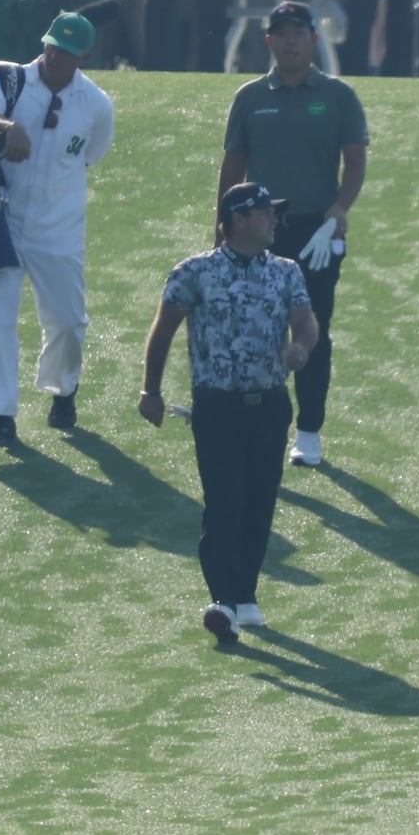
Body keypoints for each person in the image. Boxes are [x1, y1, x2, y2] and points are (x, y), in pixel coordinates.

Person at [140, 181, 319, 645]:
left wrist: (301, 346)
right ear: (239, 219)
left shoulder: (286, 272)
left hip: (270, 406)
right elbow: (163, 332)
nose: (274, 221)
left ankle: (244, 597)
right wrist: (151, 391)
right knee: (224, 502)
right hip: (218, 406)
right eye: (266, 213)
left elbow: (305, 321)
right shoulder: (194, 272)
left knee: (259, 503)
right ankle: (222, 600)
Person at [215, 0, 365, 466]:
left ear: (314, 39)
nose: (290, 40)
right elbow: (233, 167)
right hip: (258, 233)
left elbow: (355, 161)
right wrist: (222, 230)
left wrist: (340, 209)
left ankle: (310, 429)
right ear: (269, 42)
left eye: (299, 31)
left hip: (315, 234)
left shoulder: (338, 96)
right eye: (281, 33)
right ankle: (255, 424)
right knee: (254, 329)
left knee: (311, 329)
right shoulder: (250, 98)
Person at [0, 13, 112, 448]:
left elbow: (92, 154)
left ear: (84, 57)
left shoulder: (96, 104)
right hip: (1, 221)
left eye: (66, 51)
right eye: (51, 45)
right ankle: (2, 415)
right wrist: (8, 128)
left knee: (68, 321)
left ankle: (62, 389)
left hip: (59, 228)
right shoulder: (9, 79)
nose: (54, 55)